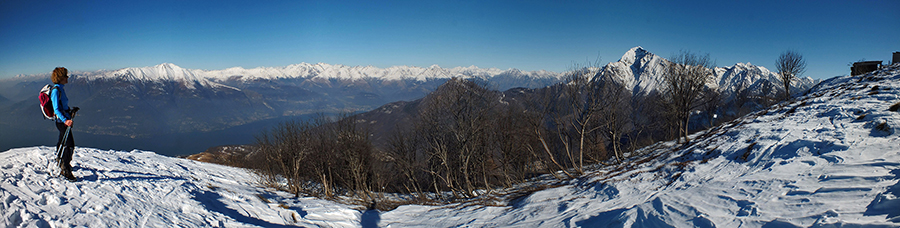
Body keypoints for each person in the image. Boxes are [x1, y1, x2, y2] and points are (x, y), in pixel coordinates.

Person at [51, 67, 79, 181]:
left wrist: (70, 111)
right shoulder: (56, 91)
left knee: (62, 141)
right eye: (65, 76)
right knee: (70, 145)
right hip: (62, 122)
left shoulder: (61, 89)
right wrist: (65, 120)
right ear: (61, 78)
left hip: (63, 121)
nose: (67, 77)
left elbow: (62, 106)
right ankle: (65, 169)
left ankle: (60, 160)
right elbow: (56, 109)